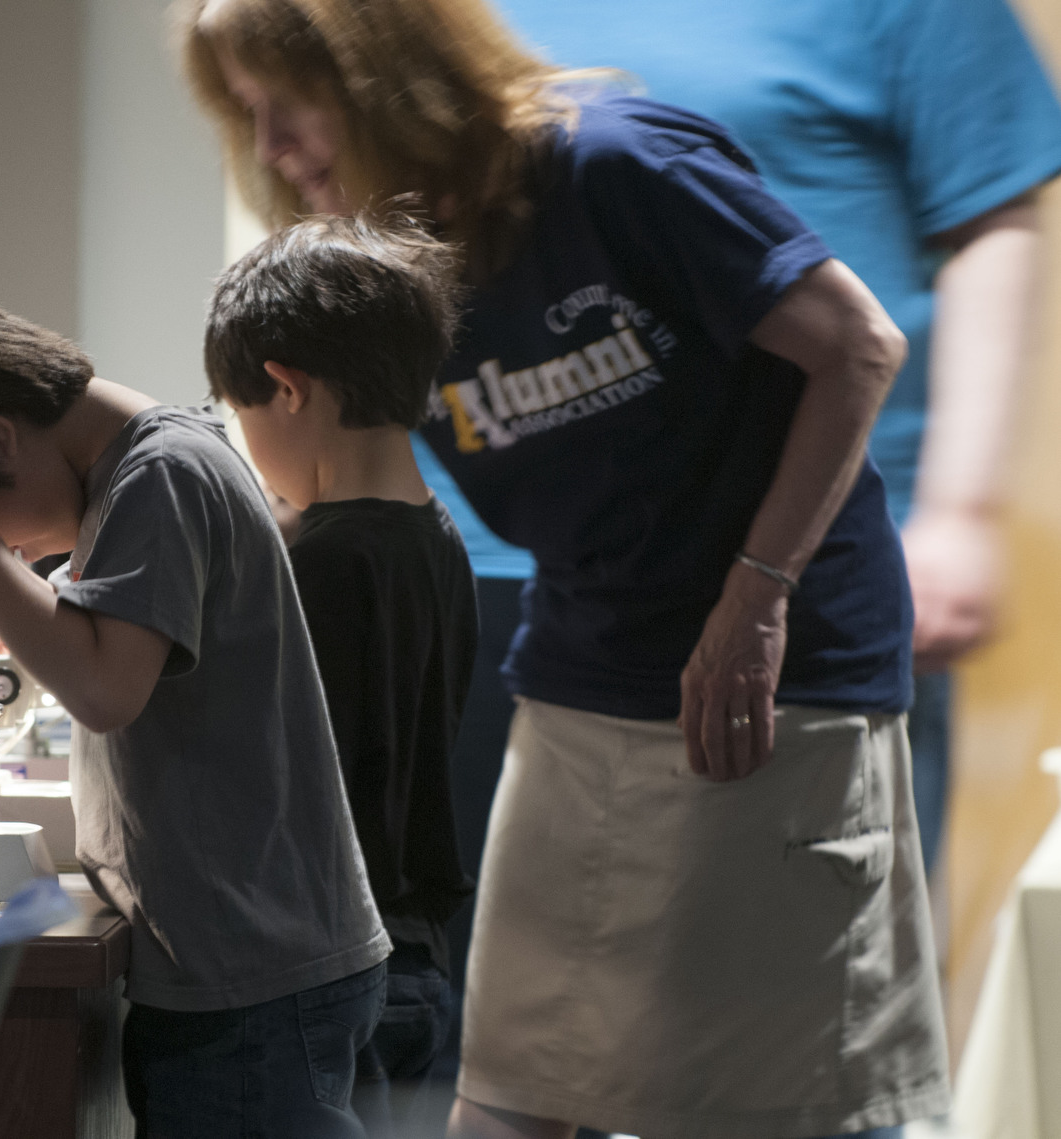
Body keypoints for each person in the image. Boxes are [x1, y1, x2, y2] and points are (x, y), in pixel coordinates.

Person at [180, 1, 949, 1136]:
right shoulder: (397, 259)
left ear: (378, 74)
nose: (270, 149)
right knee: (512, 1086)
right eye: (247, 117)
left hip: (773, 673)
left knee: (762, 1099)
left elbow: (855, 344)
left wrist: (754, 598)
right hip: (586, 673)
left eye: (284, 107)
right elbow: (308, 456)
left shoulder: (611, 161)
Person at [0, 283, 391, 1137]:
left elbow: (106, 692)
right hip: (237, 967)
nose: (15, 556)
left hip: (251, 983)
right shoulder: (145, 467)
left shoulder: (160, 476)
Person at [493, 0, 1061, 892]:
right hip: (489, 553)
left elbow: (990, 217)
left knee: (789, 977)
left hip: (796, 551)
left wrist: (961, 510)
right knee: (493, 987)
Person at [205, 212, 479, 1130]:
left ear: (284, 388)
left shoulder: (324, 565)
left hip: (324, 962)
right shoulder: (436, 538)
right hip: (418, 956)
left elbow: (270, 774)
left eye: (239, 414)